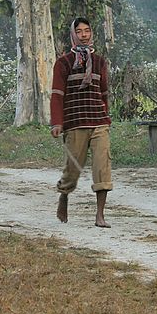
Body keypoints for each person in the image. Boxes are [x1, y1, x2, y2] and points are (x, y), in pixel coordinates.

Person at [51, 17, 113, 228]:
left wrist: (106, 116)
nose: (84, 35)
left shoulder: (100, 62)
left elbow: (103, 93)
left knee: (102, 167)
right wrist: (57, 123)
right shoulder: (64, 63)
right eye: (79, 31)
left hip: (98, 121)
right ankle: (64, 196)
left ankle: (100, 215)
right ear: (73, 34)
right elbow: (58, 95)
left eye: (87, 31)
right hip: (75, 122)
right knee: (73, 169)